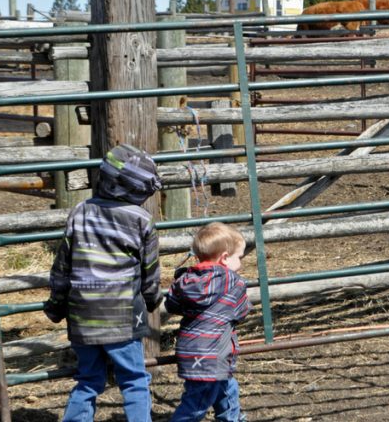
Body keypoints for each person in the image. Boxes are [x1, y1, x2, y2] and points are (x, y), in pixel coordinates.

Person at [44, 144, 163, 421]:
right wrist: (152, 299)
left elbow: (62, 267)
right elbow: (150, 271)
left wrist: (56, 305)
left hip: (82, 315)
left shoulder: (80, 212)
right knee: (134, 380)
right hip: (122, 317)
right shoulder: (141, 220)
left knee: (88, 380)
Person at [166, 222, 252, 422]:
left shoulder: (185, 280)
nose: (240, 262)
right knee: (196, 405)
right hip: (213, 353)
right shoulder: (234, 282)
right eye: (239, 257)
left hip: (191, 350)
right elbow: (242, 311)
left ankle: (233, 419)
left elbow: (172, 305)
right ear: (224, 258)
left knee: (227, 389)